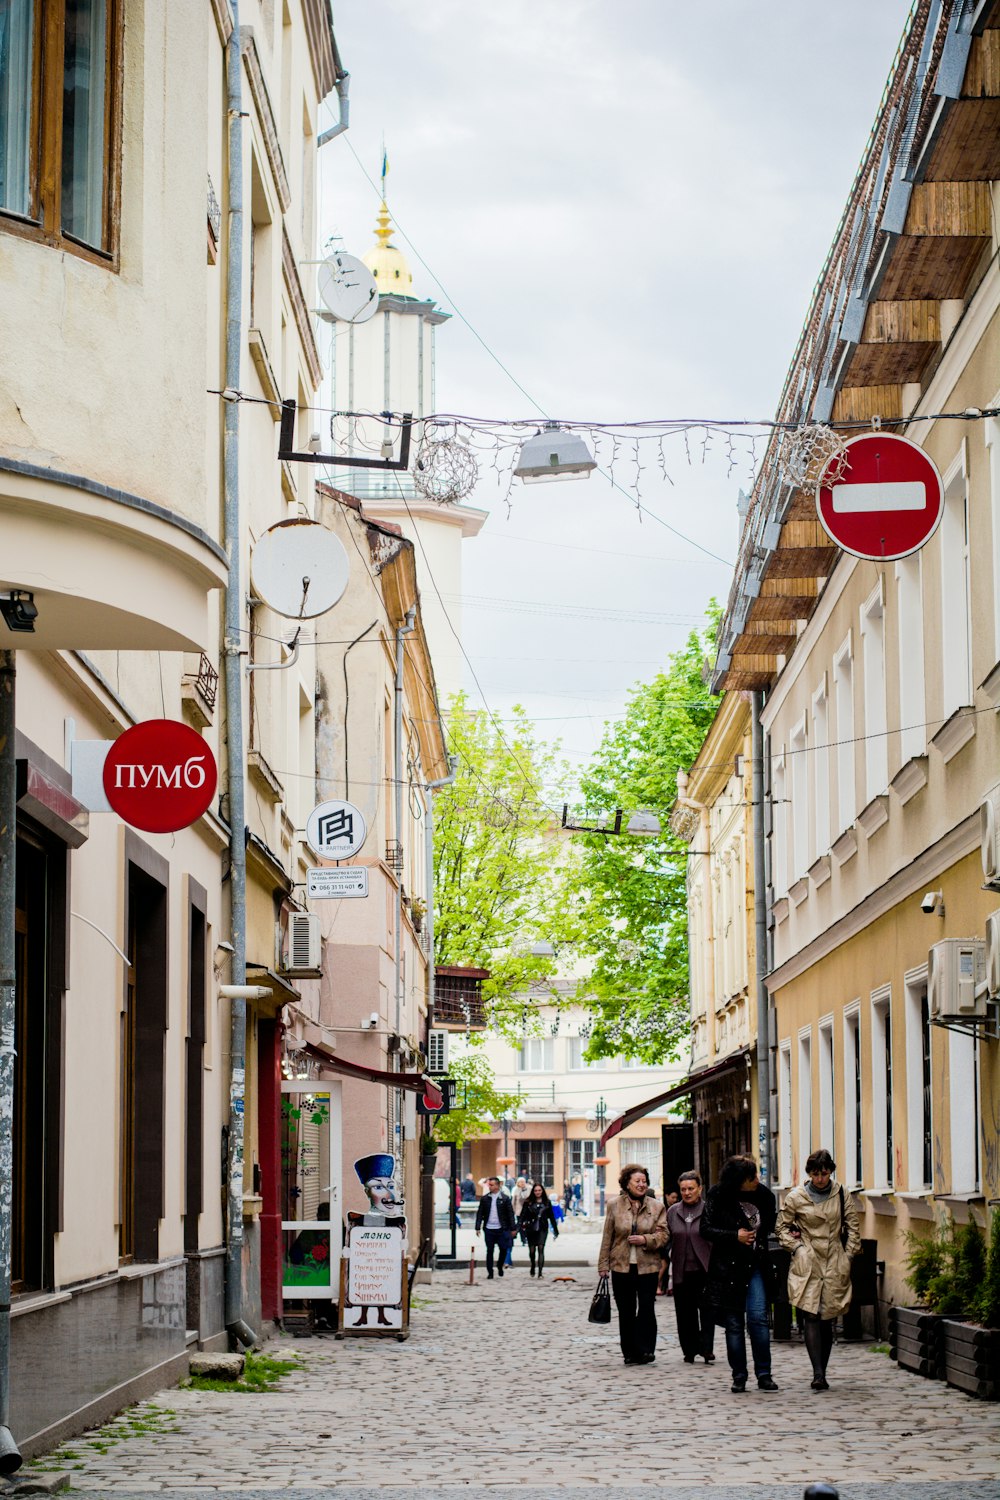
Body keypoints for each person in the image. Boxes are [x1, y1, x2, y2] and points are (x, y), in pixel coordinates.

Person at [775, 1149, 862, 1391]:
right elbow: (782, 1227)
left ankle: (823, 1368)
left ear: (831, 1171)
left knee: (828, 1315)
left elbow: (853, 1227)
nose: (821, 1178)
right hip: (809, 1258)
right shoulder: (796, 1197)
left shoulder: (841, 1193)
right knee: (811, 1313)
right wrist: (797, 1248)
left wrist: (848, 1256)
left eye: (824, 1173)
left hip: (834, 1257)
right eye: (816, 1174)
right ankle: (818, 1373)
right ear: (809, 1174)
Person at [703, 1154, 779, 1393]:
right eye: (751, 1177)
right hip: (728, 1268)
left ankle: (764, 1374)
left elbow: (770, 1225)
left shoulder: (764, 1195)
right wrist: (734, 1235)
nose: (757, 1179)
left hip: (755, 1265)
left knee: (758, 1318)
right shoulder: (718, 1195)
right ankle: (739, 1375)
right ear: (739, 1180)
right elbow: (705, 1229)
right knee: (734, 1323)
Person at [597, 1163, 668, 1366]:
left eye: (644, 1181)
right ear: (627, 1183)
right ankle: (629, 1352)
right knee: (626, 1311)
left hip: (648, 1266)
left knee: (646, 1308)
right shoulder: (614, 1205)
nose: (641, 1184)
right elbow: (607, 1236)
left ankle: (646, 1350)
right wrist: (603, 1265)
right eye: (637, 1181)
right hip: (621, 1266)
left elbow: (664, 1235)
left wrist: (645, 1240)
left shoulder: (657, 1206)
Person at [666, 1171, 714, 1363]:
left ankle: (707, 1348)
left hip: (705, 1269)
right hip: (681, 1270)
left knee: (707, 1311)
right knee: (684, 1313)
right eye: (683, 1189)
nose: (687, 1193)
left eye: (691, 1189)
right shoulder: (673, 1212)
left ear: (700, 1189)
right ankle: (689, 1349)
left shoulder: (709, 1209)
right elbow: (666, 1237)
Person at [475, 1175, 516, 1279]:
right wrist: (478, 1227)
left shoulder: (505, 1199)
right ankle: (490, 1271)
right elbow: (480, 1213)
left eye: (492, 1185)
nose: (490, 1187)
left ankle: (499, 1265)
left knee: (503, 1249)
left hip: (501, 1229)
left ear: (497, 1185)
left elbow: (510, 1214)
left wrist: (513, 1228)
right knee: (490, 1250)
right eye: (489, 1185)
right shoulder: (485, 1199)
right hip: (489, 1229)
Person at [518, 1181, 560, 1277]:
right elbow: (522, 1216)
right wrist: (517, 1227)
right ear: (533, 1191)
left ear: (542, 1191)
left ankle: (540, 1272)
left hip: (542, 1228)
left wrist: (555, 1230)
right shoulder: (528, 1202)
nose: (537, 1192)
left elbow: (552, 1217)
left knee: (541, 1248)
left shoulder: (547, 1202)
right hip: (531, 1228)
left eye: (539, 1190)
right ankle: (533, 1265)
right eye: (536, 1190)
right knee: (532, 1250)